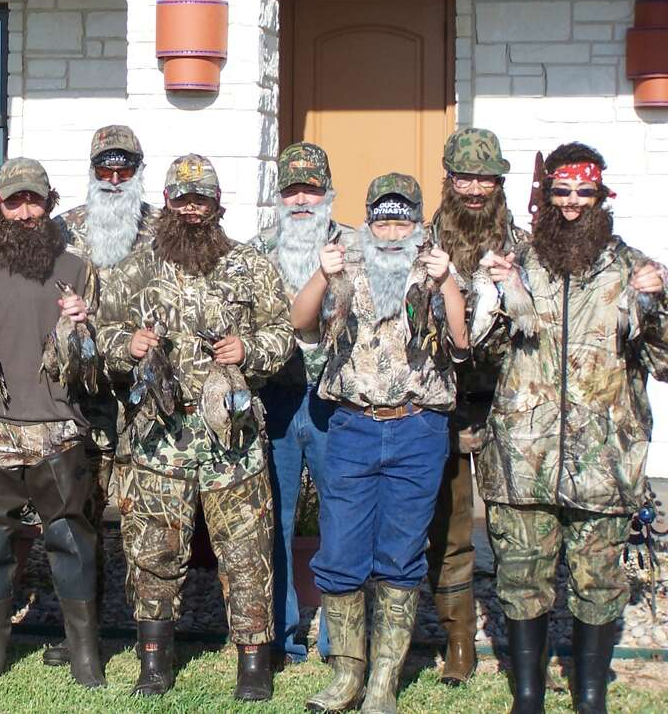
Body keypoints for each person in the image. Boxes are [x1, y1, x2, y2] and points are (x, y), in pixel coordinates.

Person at [476, 143, 667, 714]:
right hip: (521, 461)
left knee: (600, 583)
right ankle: (527, 696)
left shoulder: (633, 269)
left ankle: (590, 697)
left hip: (605, 463)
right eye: (562, 191)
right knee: (521, 581)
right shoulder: (516, 264)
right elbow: (477, 356)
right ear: (545, 195)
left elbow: (663, 361)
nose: (573, 203)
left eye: (585, 192)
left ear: (603, 197)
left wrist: (658, 304)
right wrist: (494, 293)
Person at [98, 154, 295, 702]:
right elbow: (103, 331)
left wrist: (248, 349)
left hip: (231, 437)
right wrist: (127, 345)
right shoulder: (135, 267)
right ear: (166, 202)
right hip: (159, 437)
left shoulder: (249, 264)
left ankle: (253, 665)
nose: (191, 208)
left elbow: (282, 333)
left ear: (217, 203)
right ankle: (154, 661)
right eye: (182, 199)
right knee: (152, 550)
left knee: (247, 551)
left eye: (200, 199)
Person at [292, 173, 468, 714]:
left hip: (418, 428)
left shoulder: (437, 265)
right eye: (383, 221)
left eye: (402, 221)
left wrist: (449, 283)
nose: (392, 232)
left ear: (418, 222)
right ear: (368, 220)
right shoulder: (345, 261)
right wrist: (322, 275)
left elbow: (462, 342)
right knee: (340, 551)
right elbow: (301, 323)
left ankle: (384, 683)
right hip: (354, 426)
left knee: (400, 554)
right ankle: (348, 676)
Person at [0, 157, 105, 688]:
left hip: (58, 426)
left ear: (49, 202)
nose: (23, 212)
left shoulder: (78, 265)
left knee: (70, 538)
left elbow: (102, 356)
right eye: (13, 201)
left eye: (32, 200)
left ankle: (84, 651)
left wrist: (87, 321)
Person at [42, 124, 157, 668]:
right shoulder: (61, 231)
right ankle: (81, 635)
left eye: (124, 168)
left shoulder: (161, 231)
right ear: (91, 172)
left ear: (138, 171)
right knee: (77, 520)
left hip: (143, 402)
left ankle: (148, 634)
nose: (114, 178)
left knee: (144, 522)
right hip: (80, 402)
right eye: (104, 168)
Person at [425, 128, 527, 686]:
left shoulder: (524, 247)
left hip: (508, 407)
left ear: (499, 183)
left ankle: (524, 637)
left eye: (485, 178)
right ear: (448, 178)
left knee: (515, 528)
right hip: (442, 404)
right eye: (464, 176)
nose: (473, 188)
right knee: (452, 525)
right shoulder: (423, 243)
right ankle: (459, 639)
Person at [250, 141, 354, 666]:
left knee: (342, 517)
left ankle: (340, 639)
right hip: (276, 397)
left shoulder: (355, 247)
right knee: (276, 519)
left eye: (310, 189)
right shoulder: (256, 250)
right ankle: (282, 635)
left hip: (337, 401)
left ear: (327, 192)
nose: (300, 200)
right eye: (291, 189)